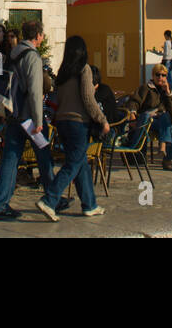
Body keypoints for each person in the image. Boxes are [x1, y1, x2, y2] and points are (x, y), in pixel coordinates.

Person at [36, 36, 108, 221]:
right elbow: (88, 98)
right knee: (73, 164)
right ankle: (49, 199)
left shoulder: (62, 74)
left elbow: (57, 99)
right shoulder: (84, 70)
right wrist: (102, 119)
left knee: (80, 163)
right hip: (78, 123)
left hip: (62, 122)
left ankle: (89, 204)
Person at [0, 19, 55, 220]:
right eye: (42, 34)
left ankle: (0, 204)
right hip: (29, 117)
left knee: (10, 160)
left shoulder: (14, 53)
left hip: (13, 114)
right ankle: (53, 197)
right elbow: (36, 91)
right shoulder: (33, 57)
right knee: (44, 156)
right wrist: (38, 121)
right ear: (37, 36)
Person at [127, 63, 172, 169]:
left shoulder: (169, 89)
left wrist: (168, 93)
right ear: (153, 75)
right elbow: (133, 102)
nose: (160, 77)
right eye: (158, 75)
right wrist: (132, 114)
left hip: (162, 120)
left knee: (165, 118)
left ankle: (163, 147)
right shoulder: (146, 88)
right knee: (156, 119)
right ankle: (164, 156)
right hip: (147, 120)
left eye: (163, 75)